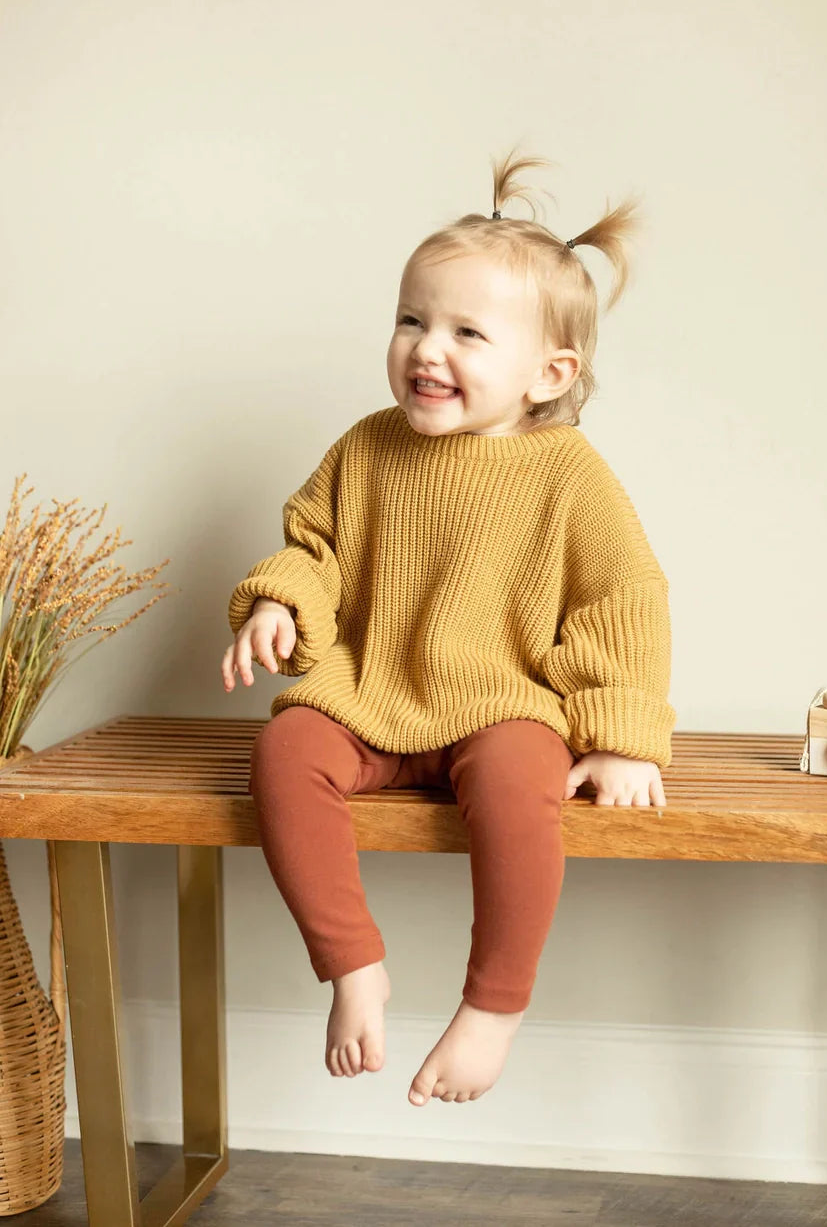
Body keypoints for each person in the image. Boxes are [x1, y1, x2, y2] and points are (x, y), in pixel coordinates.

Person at [221, 147, 676, 1109]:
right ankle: (353, 965)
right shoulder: (366, 446)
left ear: (549, 372)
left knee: (521, 786)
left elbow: (622, 598)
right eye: (411, 321)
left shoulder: (569, 474)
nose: (428, 350)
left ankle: (494, 1007)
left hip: (502, 705)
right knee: (284, 752)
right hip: (370, 693)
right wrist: (279, 602)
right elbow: (314, 547)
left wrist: (622, 736)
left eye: (468, 332)